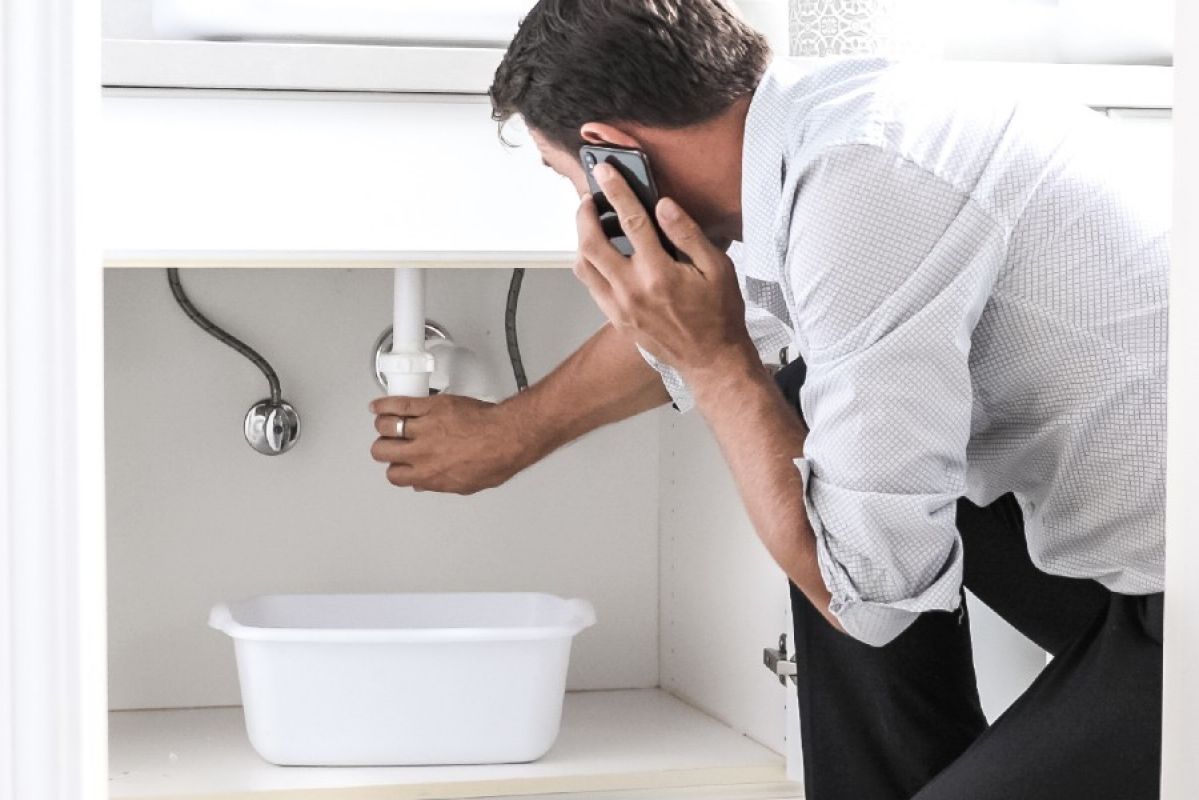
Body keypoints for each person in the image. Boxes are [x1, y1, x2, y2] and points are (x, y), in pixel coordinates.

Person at [368, 2, 1169, 797]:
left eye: (565, 176)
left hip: (1179, 610)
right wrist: (512, 432)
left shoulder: (862, 187)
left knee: (792, 435)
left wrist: (718, 367)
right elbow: (714, 320)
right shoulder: (822, 131)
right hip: (1138, 565)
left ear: (609, 154)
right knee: (801, 400)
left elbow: (870, 596)